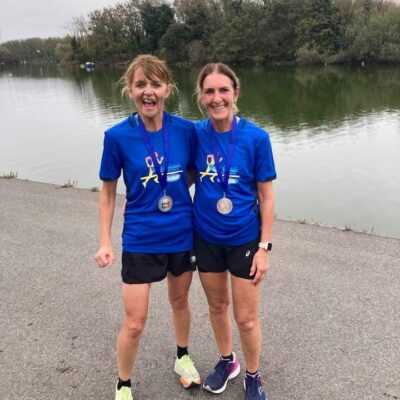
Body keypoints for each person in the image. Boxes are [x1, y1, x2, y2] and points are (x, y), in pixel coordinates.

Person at [94, 54, 200, 400]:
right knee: (135, 321)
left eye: (156, 83)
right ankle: (123, 384)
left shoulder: (186, 131)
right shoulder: (117, 137)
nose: (148, 91)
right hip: (141, 238)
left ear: (168, 89)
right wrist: (105, 241)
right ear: (130, 90)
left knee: (180, 301)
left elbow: (195, 172)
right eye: (140, 84)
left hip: (181, 234)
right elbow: (108, 191)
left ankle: (182, 357)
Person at [193, 63, 276, 400]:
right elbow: (181, 172)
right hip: (206, 238)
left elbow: (267, 197)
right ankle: (228, 362)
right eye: (209, 91)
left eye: (223, 90)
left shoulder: (256, 138)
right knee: (216, 307)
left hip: (244, 239)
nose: (217, 98)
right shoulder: (195, 134)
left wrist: (264, 248)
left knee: (246, 319)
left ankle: (253, 376)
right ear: (201, 96)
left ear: (236, 93)